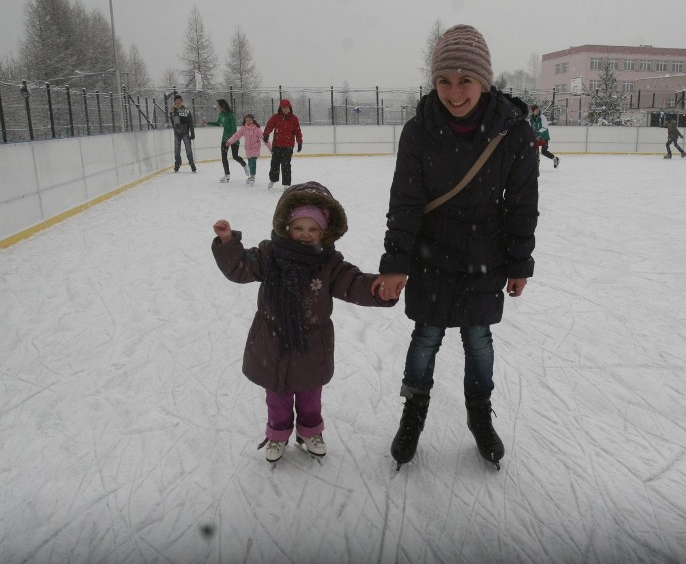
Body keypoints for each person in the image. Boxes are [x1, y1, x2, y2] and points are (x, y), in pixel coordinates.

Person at [372, 24, 539, 471]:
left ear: (484, 79)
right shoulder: (418, 132)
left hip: (486, 253)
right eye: (444, 81)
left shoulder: (514, 133)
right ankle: (413, 413)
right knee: (425, 337)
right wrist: (395, 263)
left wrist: (520, 262)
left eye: (465, 80)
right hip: (431, 252)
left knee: (478, 338)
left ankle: (479, 414)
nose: (454, 92)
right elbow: (405, 203)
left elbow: (522, 205)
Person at [211, 181, 397, 463]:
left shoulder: (329, 263)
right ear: (286, 226)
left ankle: (310, 431)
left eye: (313, 229)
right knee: (277, 396)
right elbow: (240, 269)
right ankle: (277, 434)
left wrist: (379, 289)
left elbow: (354, 283)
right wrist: (228, 243)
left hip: (312, 344)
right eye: (299, 228)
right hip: (272, 341)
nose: (305, 235)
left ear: (325, 232)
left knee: (310, 395)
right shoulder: (269, 254)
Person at [263, 99, 303, 189]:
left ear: (290, 108)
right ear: (280, 108)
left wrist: (299, 142)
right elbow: (269, 125)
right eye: (283, 108)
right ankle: (273, 179)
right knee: (274, 164)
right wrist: (266, 134)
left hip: (288, 146)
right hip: (277, 145)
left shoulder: (294, 118)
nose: (285, 109)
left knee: (286, 165)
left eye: (287, 108)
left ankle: (286, 184)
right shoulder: (276, 117)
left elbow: (298, 131)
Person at [206, 99, 247, 183]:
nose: (216, 106)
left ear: (222, 105)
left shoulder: (231, 115)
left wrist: (230, 141)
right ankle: (227, 174)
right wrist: (208, 122)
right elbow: (218, 123)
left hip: (233, 139)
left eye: (217, 105)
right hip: (224, 139)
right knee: (224, 157)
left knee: (235, 156)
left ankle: (245, 165)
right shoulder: (221, 114)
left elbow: (233, 128)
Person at [226, 114, 272, 185]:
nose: (248, 121)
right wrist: (229, 141)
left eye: (249, 120)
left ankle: (252, 177)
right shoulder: (243, 129)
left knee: (253, 162)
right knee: (250, 163)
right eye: (246, 120)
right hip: (248, 149)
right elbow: (236, 135)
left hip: (255, 148)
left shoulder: (257, 129)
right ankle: (251, 176)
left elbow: (264, 139)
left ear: (253, 120)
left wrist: (271, 148)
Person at [169, 95, 196, 173]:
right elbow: (174, 122)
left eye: (179, 100)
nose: (178, 101)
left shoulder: (186, 111)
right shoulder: (172, 111)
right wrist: (176, 129)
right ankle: (177, 163)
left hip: (185, 133)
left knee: (188, 149)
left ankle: (191, 163)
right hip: (177, 133)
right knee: (176, 150)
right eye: (176, 100)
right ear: (174, 101)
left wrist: (192, 132)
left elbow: (190, 122)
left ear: (181, 101)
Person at [529, 104, 560, 169]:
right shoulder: (531, 118)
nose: (537, 111)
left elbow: (545, 127)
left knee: (544, 152)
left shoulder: (542, 117)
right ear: (533, 111)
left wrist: (538, 132)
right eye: (535, 110)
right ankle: (536, 165)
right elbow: (530, 127)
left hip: (544, 136)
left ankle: (555, 159)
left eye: (538, 109)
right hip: (536, 137)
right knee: (535, 151)